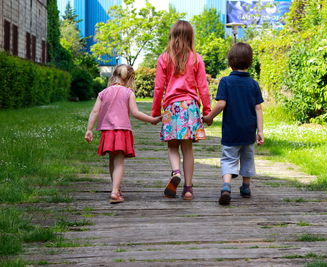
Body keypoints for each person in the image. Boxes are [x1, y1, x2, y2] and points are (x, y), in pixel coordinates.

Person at [151, 20, 211, 200]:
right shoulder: (196, 58)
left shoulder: (164, 58)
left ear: (172, 35)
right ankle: (188, 189)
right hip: (190, 107)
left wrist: (155, 112)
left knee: (172, 146)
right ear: (190, 36)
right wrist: (207, 111)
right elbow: (203, 87)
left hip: (171, 106)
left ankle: (176, 172)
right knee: (188, 149)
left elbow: (158, 87)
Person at [85, 64, 161, 204]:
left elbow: (95, 112)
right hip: (122, 131)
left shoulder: (103, 93)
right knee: (119, 162)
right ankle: (115, 192)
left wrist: (89, 129)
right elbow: (136, 113)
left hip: (107, 132)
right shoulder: (128, 93)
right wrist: (152, 120)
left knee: (112, 161)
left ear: (113, 76)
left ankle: (116, 188)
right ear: (130, 78)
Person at [203, 42, 264, 205]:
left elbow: (221, 104)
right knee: (248, 158)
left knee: (229, 158)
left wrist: (209, 117)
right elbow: (258, 109)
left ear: (230, 62)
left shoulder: (226, 82)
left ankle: (226, 186)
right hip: (248, 131)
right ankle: (245, 187)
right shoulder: (253, 84)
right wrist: (260, 131)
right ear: (250, 62)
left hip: (231, 130)